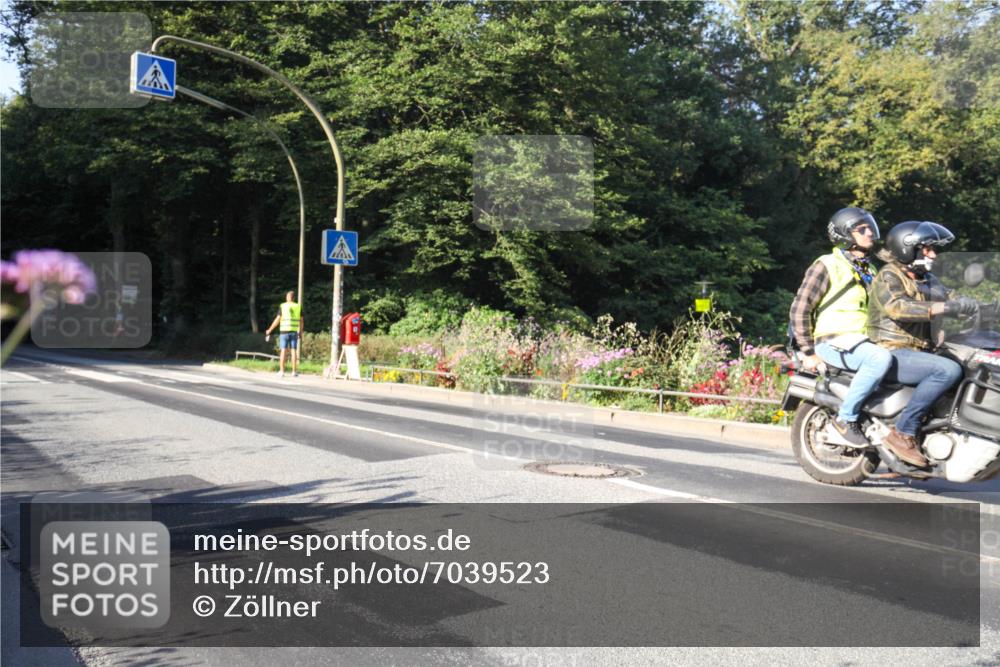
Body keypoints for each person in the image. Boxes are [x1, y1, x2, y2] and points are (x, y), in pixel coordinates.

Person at [789, 207, 918, 463]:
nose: (870, 232)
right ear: (845, 234)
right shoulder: (827, 264)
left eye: (870, 227)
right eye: (862, 229)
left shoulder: (868, 268)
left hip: (862, 342)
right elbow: (800, 309)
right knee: (878, 360)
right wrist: (808, 352)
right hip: (833, 340)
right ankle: (844, 420)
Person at [868, 221, 977, 463]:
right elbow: (898, 307)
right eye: (927, 249)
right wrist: (945, 307)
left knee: (970, 362)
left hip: (921, 351)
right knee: (946, 370)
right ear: (909, 249)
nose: (933, 254)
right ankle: (903, 430)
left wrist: (975, 306)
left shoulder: (927, 279)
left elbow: (950, 297)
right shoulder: (888, 275)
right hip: (892, 350)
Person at [264, 291, 303, 377]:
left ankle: (282, 371)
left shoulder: (283, 306)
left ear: (287, 297)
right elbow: (301, 321)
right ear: (294, 298)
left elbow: (277, 320)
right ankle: (294, 372)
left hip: (284, 331)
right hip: (294, 331)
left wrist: (270, 330)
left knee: (283, 351)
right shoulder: (298, 307)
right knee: (293, 351)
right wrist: (300, 332)